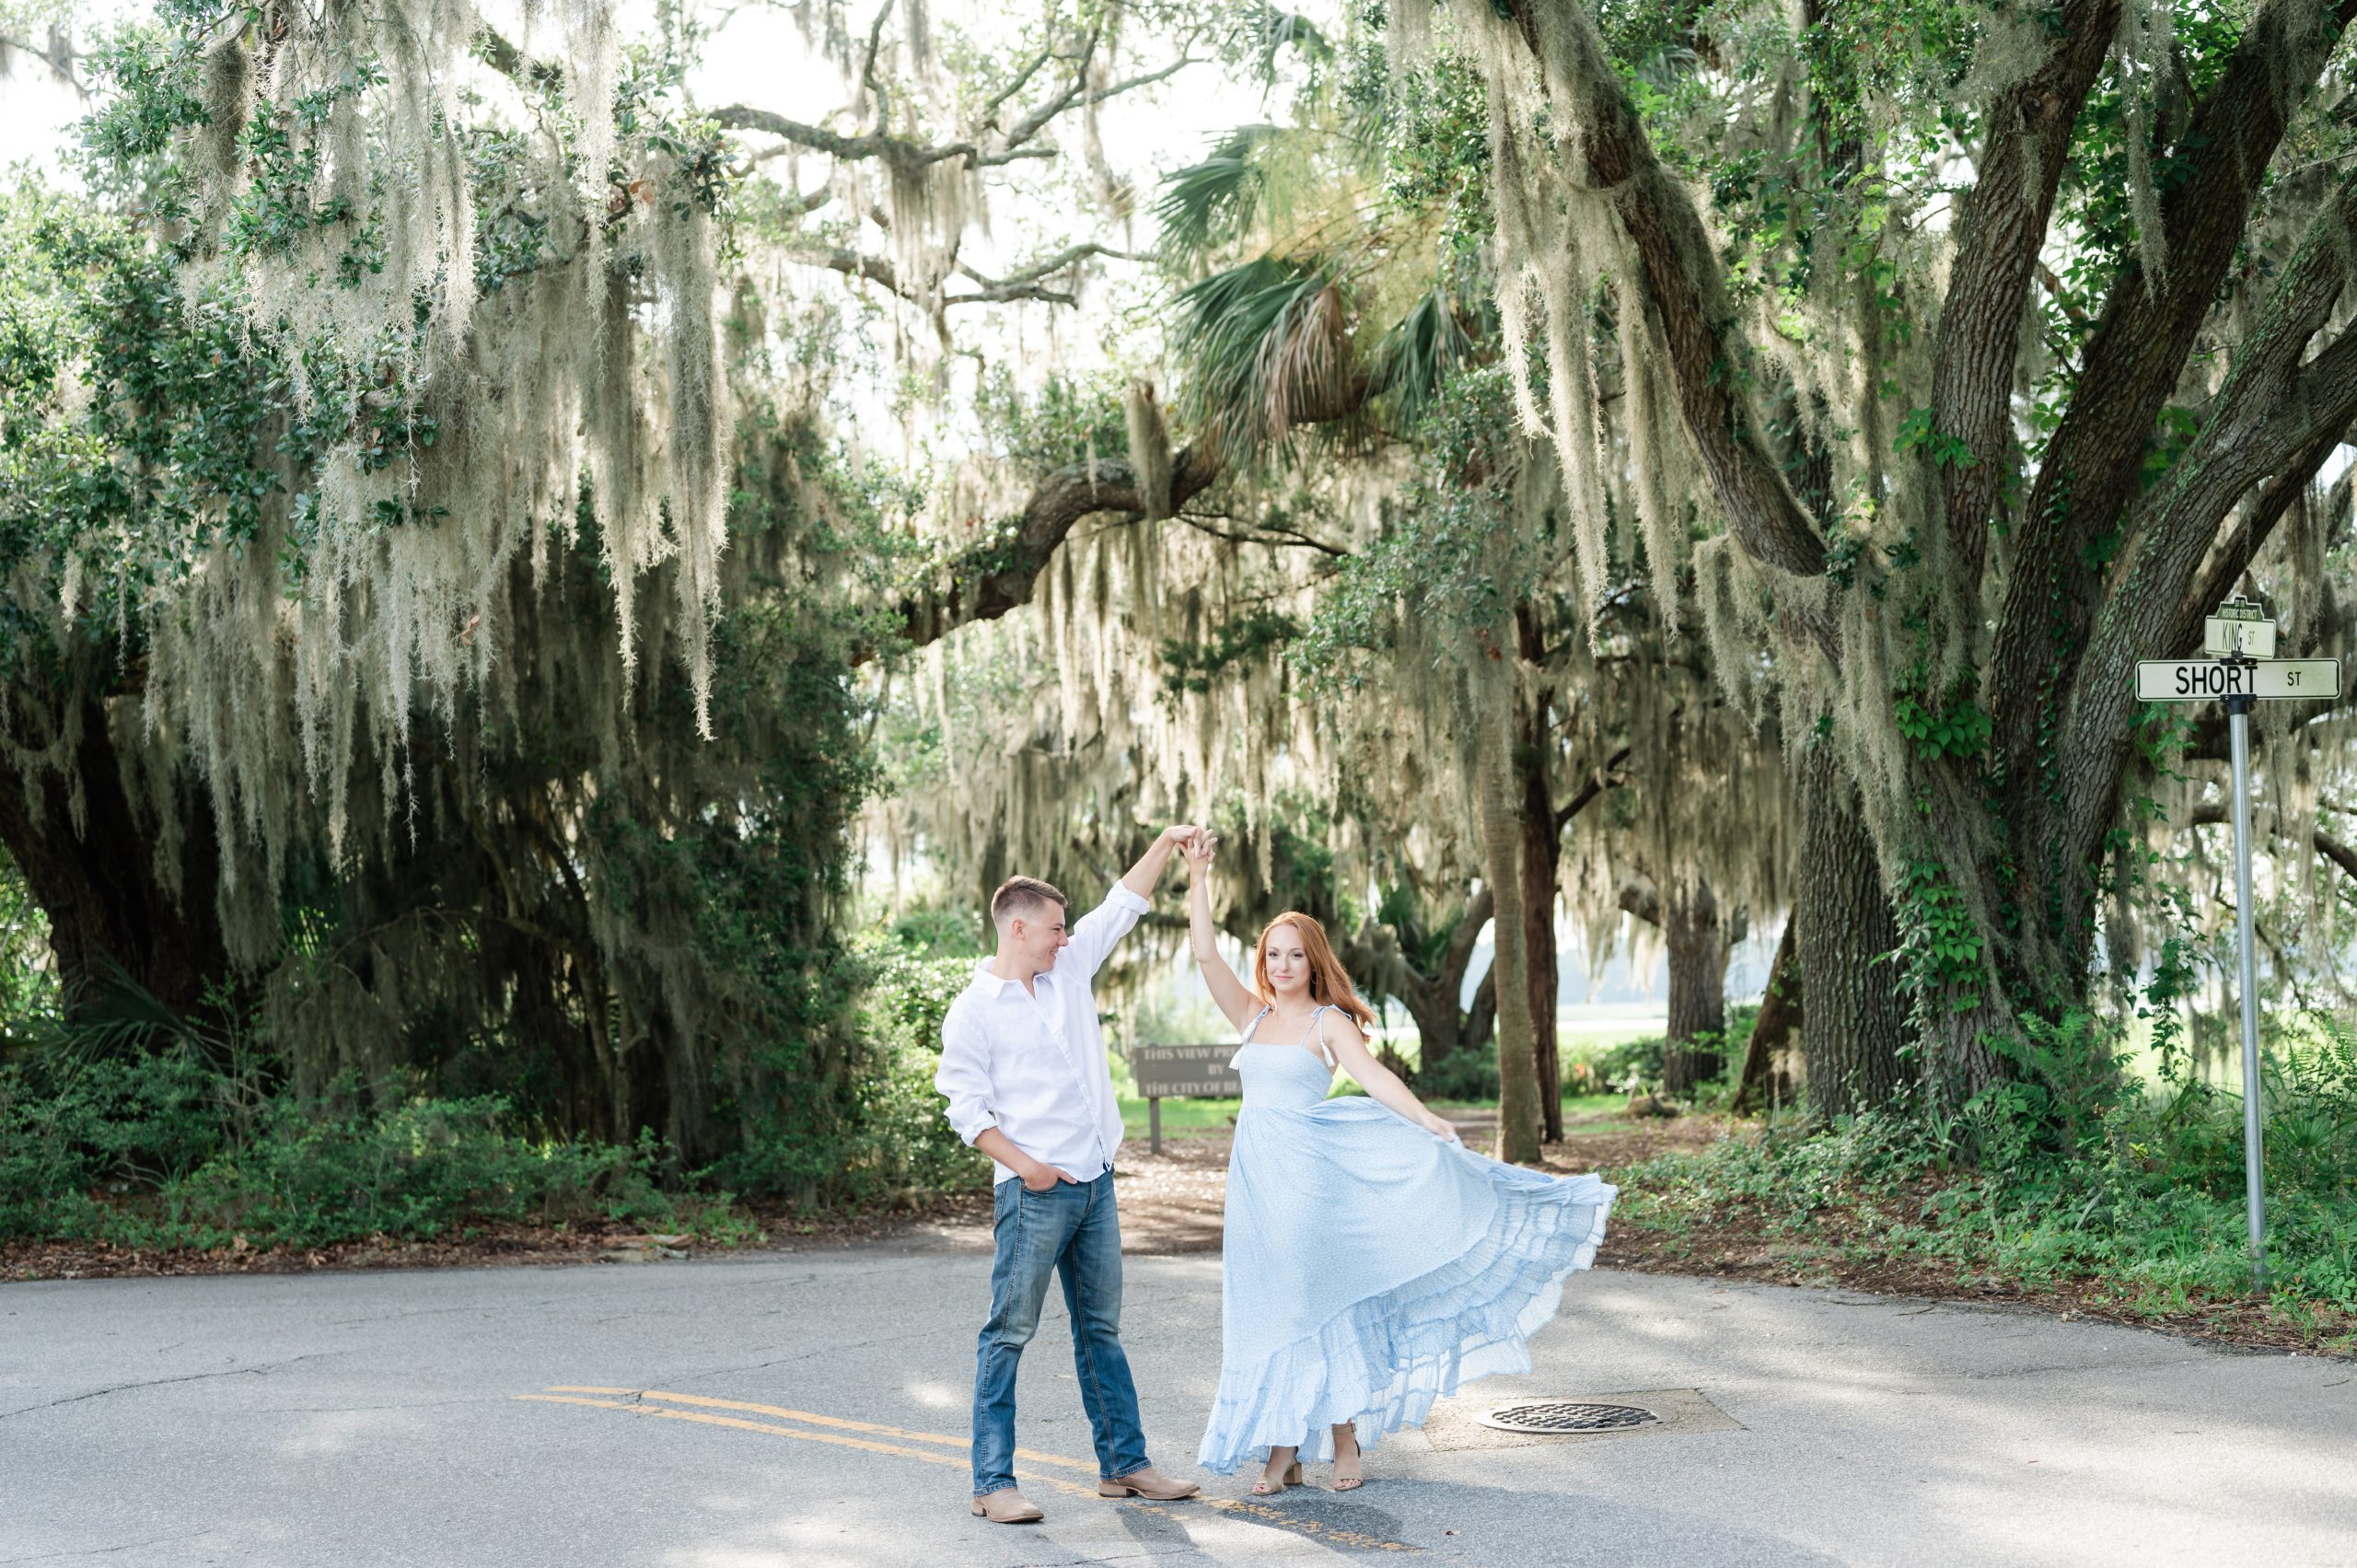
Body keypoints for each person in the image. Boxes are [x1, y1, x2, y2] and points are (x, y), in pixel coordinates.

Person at [1181, 831, 1616, 1493]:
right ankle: (1283, 1448)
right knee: (1269, 1308)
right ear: (1265, 962)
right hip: (1253, 1187)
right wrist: (1198, 875)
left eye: (1297, 953)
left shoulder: (1327, 1022)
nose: (1286, 963)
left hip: (1308, 1184)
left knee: (1319, 1301)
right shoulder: (1250, 1013)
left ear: (1314, 959)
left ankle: (1345, 1437)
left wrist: (1426, 1118)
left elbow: (1374, 1076)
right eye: (1275, 954)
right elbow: (1205, 952)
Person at [935, 827, 1208, 1525]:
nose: (1065, 937)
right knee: (1008, 1333)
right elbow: (965, 1109)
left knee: (1101, 1331)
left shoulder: (1069, 970)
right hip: (1032, 1195)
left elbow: (1124, 901)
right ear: (1018, 927)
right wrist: (1027, 1166)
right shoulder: (973, 1010)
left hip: (1096, 1183)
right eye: (1055, 928)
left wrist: (1167, 843)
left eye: (1066, 930)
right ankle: (991, 1483)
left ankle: (1124, 1465)